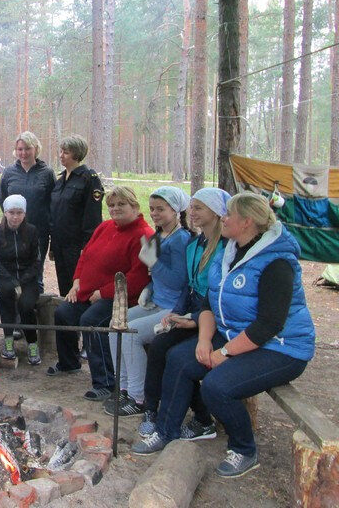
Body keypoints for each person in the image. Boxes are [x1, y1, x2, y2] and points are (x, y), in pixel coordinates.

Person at [132, 192, 315, 479]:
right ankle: (165, 431)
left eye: (229, 215)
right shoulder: (228, 251)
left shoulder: (276, 262)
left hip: (282, 347)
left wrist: (225, 352)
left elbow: (269, 324)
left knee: (217, 386)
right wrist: (205, 341)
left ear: (247, 222)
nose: (224, 218)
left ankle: (244, 450)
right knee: (178, 357)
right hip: (236, 334)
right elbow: (208, 304)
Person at [137, 187, 231, 440]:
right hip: (193, 311)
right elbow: (188, 287)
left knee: (174, 355)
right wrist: (177, 313)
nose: (193, 212)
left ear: (216, 212)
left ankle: (199, 418)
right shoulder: (196, 244)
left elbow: (216, 294)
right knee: (159, 347)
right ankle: (151, 410)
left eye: (199, 208)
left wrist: (192, 318)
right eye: (192, 207)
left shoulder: (225, 248)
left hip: (213, 318)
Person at [49, 187, 154, 402]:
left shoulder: (144, 235)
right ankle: (69, 363)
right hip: (88, 292)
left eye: (120, 205)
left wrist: (104, 292)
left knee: (92, 321)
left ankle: (105, 382)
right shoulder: (105, 227)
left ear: (134, 206)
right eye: (111, 205)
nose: (115, 209)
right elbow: (85, 255)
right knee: (63, 313)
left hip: (121, 299)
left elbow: (139, 278)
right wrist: (76, 282)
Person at [105, 186, 192, 417]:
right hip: (156, 301)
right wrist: (149, 287)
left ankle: (138, 396)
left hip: (173, 306)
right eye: (152, 208)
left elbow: (178, 280)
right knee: (115, 325)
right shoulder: (158, 235)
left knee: (132, 334)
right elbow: (158, 278)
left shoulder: (180, 239)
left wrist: (154, 264)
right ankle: (122, 386)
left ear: (175, 210)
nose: (154, 213)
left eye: (161, 209)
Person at [0, 195, 42, 365]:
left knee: (26, 305)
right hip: (5, 275)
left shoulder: (32, 231)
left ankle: (32, 343)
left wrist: (23, 280)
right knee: (5, 298)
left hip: (27, 277)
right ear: (5, 213)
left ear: (24, 214)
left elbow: (37, 261)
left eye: (19, 212)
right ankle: (8, 339)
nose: (15, 217)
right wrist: (13, 282)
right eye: (11, 212)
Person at [0, 132, 56, 289]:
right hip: (13, 231)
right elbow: (3, 201)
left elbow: (53, 204)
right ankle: (15, 309)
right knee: (14, 269)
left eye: (27, 149)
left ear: (36, 148)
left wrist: (51, 232)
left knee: (35, 273)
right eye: (20, 149)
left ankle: (36, 310)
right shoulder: (9, 173)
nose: (23, 153)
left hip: (39, 232)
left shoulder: (47, 173)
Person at [49, 135, 103, 298]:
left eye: (66, 152)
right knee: (64, 287)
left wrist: (86, 247)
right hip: (59, 244)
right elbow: (55, 215)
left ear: (77, 154)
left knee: (79, 288)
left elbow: (93, 216)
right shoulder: (60, 181)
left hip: (76, 245)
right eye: (61, 151)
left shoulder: (88, 179)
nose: (61, 155)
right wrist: (53, 245)